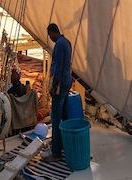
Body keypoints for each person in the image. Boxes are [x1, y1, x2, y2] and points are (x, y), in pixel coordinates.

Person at [43, 23, 72, 162]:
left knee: (55, 117)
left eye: (50, 36)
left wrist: (54, 87)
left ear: (53, 32)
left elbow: (59, 67)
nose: (50, 38)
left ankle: (56, 153)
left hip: (60, 84)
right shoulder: (67, 42)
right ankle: (65, 145)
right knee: (65, 116)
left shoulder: (59, 44)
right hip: (67, 82)